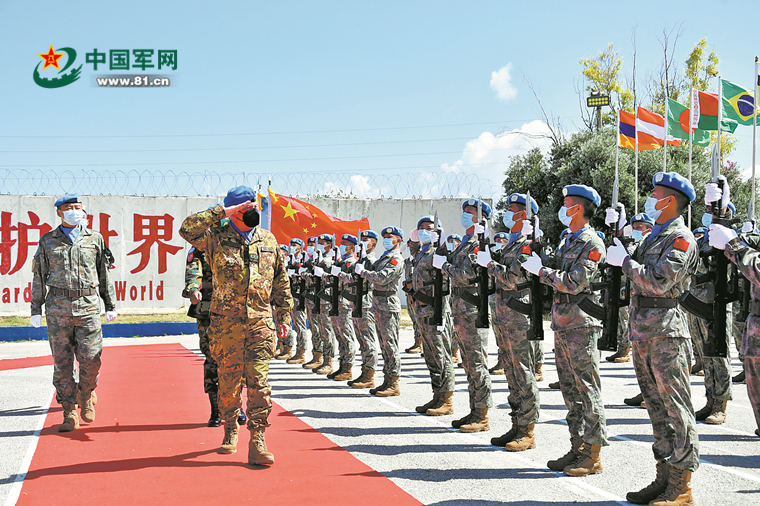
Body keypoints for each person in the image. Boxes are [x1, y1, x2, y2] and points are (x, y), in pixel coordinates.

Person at [179, 186, 293, 467]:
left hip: (260, 324)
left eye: (252, 205)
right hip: (226, 325)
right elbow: (186, 229)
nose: (251, 210)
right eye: (244, 207)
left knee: (259, 383)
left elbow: (280, 280)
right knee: (228, 384)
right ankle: (231, 428)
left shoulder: (268, 239)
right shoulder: (215, 237)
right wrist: (224, 212)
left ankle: (258, 439)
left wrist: (285, 317)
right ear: (232, 210)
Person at [605, 172, 699, 504]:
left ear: (670, 200)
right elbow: (635, 263)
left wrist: (626, 262)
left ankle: (681, 485)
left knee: (676, 409)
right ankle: (664, 476)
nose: (649, 199)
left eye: (654, 194)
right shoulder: (655, 235)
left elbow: (658, 281)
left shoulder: (682, 237)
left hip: (666, 333)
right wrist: (618, 238)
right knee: (656, 410)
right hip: (644, 331)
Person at [521, 184, 607, 476]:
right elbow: (554, 272)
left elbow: (575, 281)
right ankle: (577, 447)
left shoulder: (592, 243)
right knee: (571, 392)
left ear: (579, 208)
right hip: (562, 322)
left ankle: (592, 455)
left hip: (582, 324)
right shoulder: (567, 241)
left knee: (587, 390)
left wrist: (542, 272)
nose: (562, 207)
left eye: (567, 203)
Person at [30, 193, 117, 433]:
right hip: (57, 308)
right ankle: (69, 411)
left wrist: (110, 304)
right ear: (59, 212)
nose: (74, 210)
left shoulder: (95, 239)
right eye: (69, 207)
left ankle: (86, 393)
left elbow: (104, 274)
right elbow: (39, 276)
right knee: (63, 363)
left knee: (91, 359)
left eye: (78, 207)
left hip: (88, 306)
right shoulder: (48, 241)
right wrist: (35, 309)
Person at [478, 193, 540, 451]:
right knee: (512, 372)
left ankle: (528, 430)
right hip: (504, 315)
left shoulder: (526, 244)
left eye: (513, 210)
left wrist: (490, 264)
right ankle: (516, 424)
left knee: (523, 372)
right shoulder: (512, 244)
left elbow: (513, 278)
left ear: (523, 215)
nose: (507, 214)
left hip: (517, 315)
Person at [434, 199, 493, 433]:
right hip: (460, 311)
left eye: (470, 213)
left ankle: (482, 414)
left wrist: (444, 266)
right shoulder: (465, 243)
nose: (465, 216)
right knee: (468, 363)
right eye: (465, 212)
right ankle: (474, 410)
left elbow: (467, 276)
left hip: (472, 311)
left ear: (480, 218)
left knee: (477, 363)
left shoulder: (479, 244)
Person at [183, 211, 246, 428]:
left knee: (236, 357)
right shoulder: (202, 247)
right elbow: (193, 271)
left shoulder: (238, 246)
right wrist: (193, 289)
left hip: (234, 310)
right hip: (208, 310)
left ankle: (238, 406)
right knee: (212, 358)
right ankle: (216, 409)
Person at [707, 184, 760, 438]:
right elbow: (745, 243)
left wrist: (735, 245)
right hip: (755, 322)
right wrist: (722, 212)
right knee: (754, 384)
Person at [689, 203, 735, 425]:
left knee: (718, 355)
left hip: (716, 304)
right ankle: (710, 400)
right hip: (696, 304)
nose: (708, 216)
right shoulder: (699, 242)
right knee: (704, 354)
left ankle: (721, 405)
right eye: (707, 212)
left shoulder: (728, 241)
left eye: (713, 213)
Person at [411, 215, 456, 416]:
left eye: (429, 228)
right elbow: (411, 246)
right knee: (430, 356)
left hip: (436, 310)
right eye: (421, 228)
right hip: (422, 310)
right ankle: (437, 395)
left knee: (441, 355)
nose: (424, 231)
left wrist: (442, 242)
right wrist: (415, 235)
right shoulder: (422, 251)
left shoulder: (439, 251)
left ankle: (447, 399)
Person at [355, 226, 405, 396]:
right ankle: (387, 380)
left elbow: (382, 278)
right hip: (378, 303)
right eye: (385, 236)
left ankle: (394, 382)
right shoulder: (384, 257)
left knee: (390, 345)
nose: (387, 239)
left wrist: (364, 272)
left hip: (388, 303)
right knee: (384, 345)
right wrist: (362, 258)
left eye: (390, 237)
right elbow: (371, 268)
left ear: (398, 240)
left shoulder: (396, 259)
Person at [343, 234, 379, 389]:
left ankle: (369, 374)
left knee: (368, 340)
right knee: (361, 339)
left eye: (366, 241)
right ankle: (364, 373)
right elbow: (351, 278)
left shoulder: (371, 261)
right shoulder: (361, 260)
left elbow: (375, 280)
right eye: (361, 241)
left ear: (374, 244)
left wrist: (362, 271)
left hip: (366, 303)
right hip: (357, 301)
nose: (362, 243)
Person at [325, 234, 359, 381]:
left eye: (345, 243)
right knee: (339, 336)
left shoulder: (351, 262)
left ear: (352, 246)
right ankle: (342, 365)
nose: (342, 245)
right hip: (335, 301)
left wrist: (339, 272)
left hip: (344, 302)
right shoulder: (341, 261)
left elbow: (353, 280)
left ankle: (348, 368)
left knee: (346, 336)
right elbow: (331, 279)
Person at [280, 238, 309, 364]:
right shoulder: (290, 260)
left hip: (298, 297)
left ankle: (301, 352)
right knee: (290, 323)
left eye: (295, 245)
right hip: (290, 295)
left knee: (300, 325)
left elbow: (308, 278)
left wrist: (296, 275)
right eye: (291, 245)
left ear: (301, 247)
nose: (292, 247)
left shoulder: (303, 261)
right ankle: (287, 348)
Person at [313, 234, 338, 375]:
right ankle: (322, 359)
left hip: (327, 299)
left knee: (327, 331)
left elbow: (329, 278)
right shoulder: (322, 259)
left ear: (329, 245)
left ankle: (329, 362)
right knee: (322, 330)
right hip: (321, 299)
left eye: (323, 243)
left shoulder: (328, 260)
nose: (320, 245)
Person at [301, 237, 324, 369]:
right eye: (309, 245)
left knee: (321, 329)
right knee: (314, 328)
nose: (311, 247)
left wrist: (304, 275)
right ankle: (316, 356)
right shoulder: (310, 260)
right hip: (311, 298)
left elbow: (318, 278)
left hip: (320, 299)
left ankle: (323, 358)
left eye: (314, 245)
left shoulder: (321, 261)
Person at [404, 235, 424, 354]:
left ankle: (422, 343)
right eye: (409, 246)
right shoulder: (407, 262)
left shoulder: (419, 259)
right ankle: (417, 342)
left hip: (419, 292)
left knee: (420, 318)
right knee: (413, 318)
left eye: (412, 246)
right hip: (409, 292)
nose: (410, 249)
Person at [446, 234, 462, 365]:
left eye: (456, 241)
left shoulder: (460, 257)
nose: (453, 243)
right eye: (450, 241)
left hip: (459, 295)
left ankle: (456, 352)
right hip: (448, 295)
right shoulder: (448, 256)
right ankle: (451, 350)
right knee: (449, 325)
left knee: (458, 326)